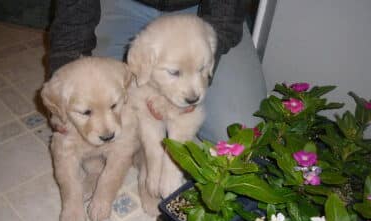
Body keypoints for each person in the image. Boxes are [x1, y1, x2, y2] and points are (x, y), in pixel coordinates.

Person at [49, 0, 267, 143]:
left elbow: (223, 19)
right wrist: (63, 80)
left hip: (202, 12)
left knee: (238, 132)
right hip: (122, 5)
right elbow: (74, 12)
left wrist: (200, 73)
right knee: (107, 107)